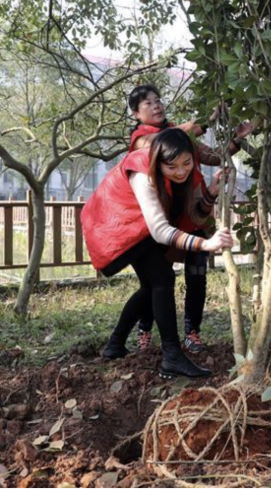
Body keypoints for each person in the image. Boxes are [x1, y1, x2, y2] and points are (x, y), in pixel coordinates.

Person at [80, 128, 233, 378]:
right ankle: (171, 356)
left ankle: (115, 345)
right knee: (162, 279)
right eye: (172, 166)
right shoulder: (142, 173)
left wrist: (212, 192)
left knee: (153, 285)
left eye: (187, 162)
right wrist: (204, 244)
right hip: (114, 226)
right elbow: (161, 230)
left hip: (138, 230)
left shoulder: (185, 177)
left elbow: (192, 216)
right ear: (157, 160)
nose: (181, 171)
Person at [127, 84, 253, 353]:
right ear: (136, 114)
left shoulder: (179, 133)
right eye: (148, 103)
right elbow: (164, 143)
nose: (157, 105)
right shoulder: (141, 139)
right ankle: (145, 330)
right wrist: (203, 122)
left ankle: (192, 332)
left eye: (158, 100)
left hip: (195, 216)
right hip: (164, 221)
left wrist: (236, 139)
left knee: (197, 277)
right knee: (157, 282)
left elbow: (212, 156)